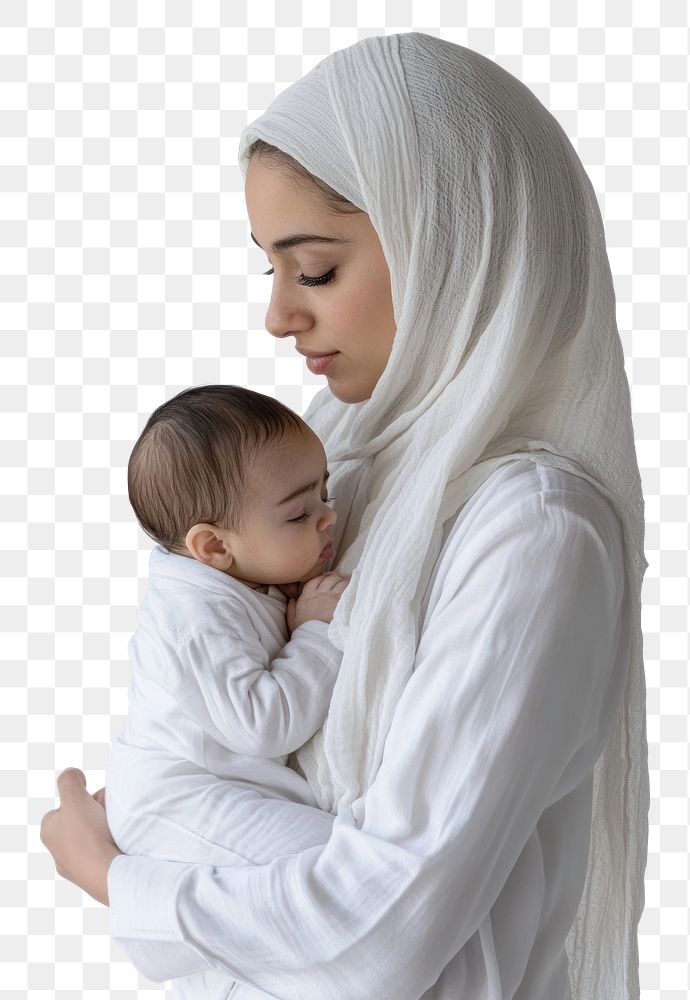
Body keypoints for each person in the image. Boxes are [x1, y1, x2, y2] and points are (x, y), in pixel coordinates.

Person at [40, 30, 650, 1000]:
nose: (278, 316)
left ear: (454, 246)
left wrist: (115, 876)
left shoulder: (533, 531)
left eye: (314, 269)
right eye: (269, 270)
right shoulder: (350, 464)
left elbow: (383, 933)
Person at [105, 384, 351, 877]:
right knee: (346, 863)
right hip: (178, 803)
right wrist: (317, 632)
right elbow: (263, 723)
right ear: (214, 546)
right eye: (300, 513)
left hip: (218, 789)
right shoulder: (192, 617)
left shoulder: (244, 572)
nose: (329, 516)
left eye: (325, 491)